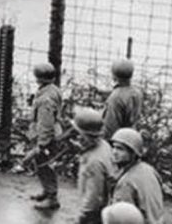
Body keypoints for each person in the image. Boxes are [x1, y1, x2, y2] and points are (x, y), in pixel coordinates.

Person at [26, 63, 63, 210]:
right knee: (42, 165)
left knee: (45, 165)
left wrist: (41, 144)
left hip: (46, 136)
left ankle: (52, 197)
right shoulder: (53, 90)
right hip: (50, 133)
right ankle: (47, 191)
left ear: (38, 78)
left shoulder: (45, 98)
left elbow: (46, 123)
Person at [109, 128, 164, 224]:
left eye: (120, 149)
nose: (114, 152)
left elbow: (122, 219)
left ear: (133, 153)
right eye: (113, 147)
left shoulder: (126, 183)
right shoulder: (149, 170)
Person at [72, 108, 115, 224]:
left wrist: (82, 216)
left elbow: (94, 197)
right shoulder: (103, 145)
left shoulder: (94, 161)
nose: (77, 137)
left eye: (78, 133)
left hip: (94, 215)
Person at [102, 60, 143, 140]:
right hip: (132, 135)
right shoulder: (137, 93)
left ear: (114, 77)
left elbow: (111, 124)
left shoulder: (115, 97)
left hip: (118, 138)